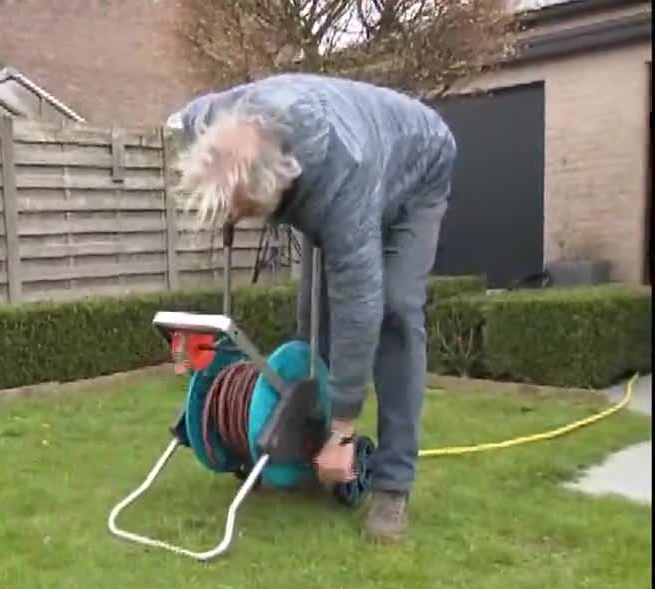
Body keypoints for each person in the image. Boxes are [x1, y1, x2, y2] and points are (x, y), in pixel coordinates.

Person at [168, 73, 457, 543]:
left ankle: (392, 483)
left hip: (417, 166)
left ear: (280, 185)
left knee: (394, 311)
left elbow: (358, 305)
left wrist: (346, 425)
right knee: (311, 321)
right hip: (331, 154)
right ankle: (304, 450)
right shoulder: (209, 117)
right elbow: (184, 122)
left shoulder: (343, 177)